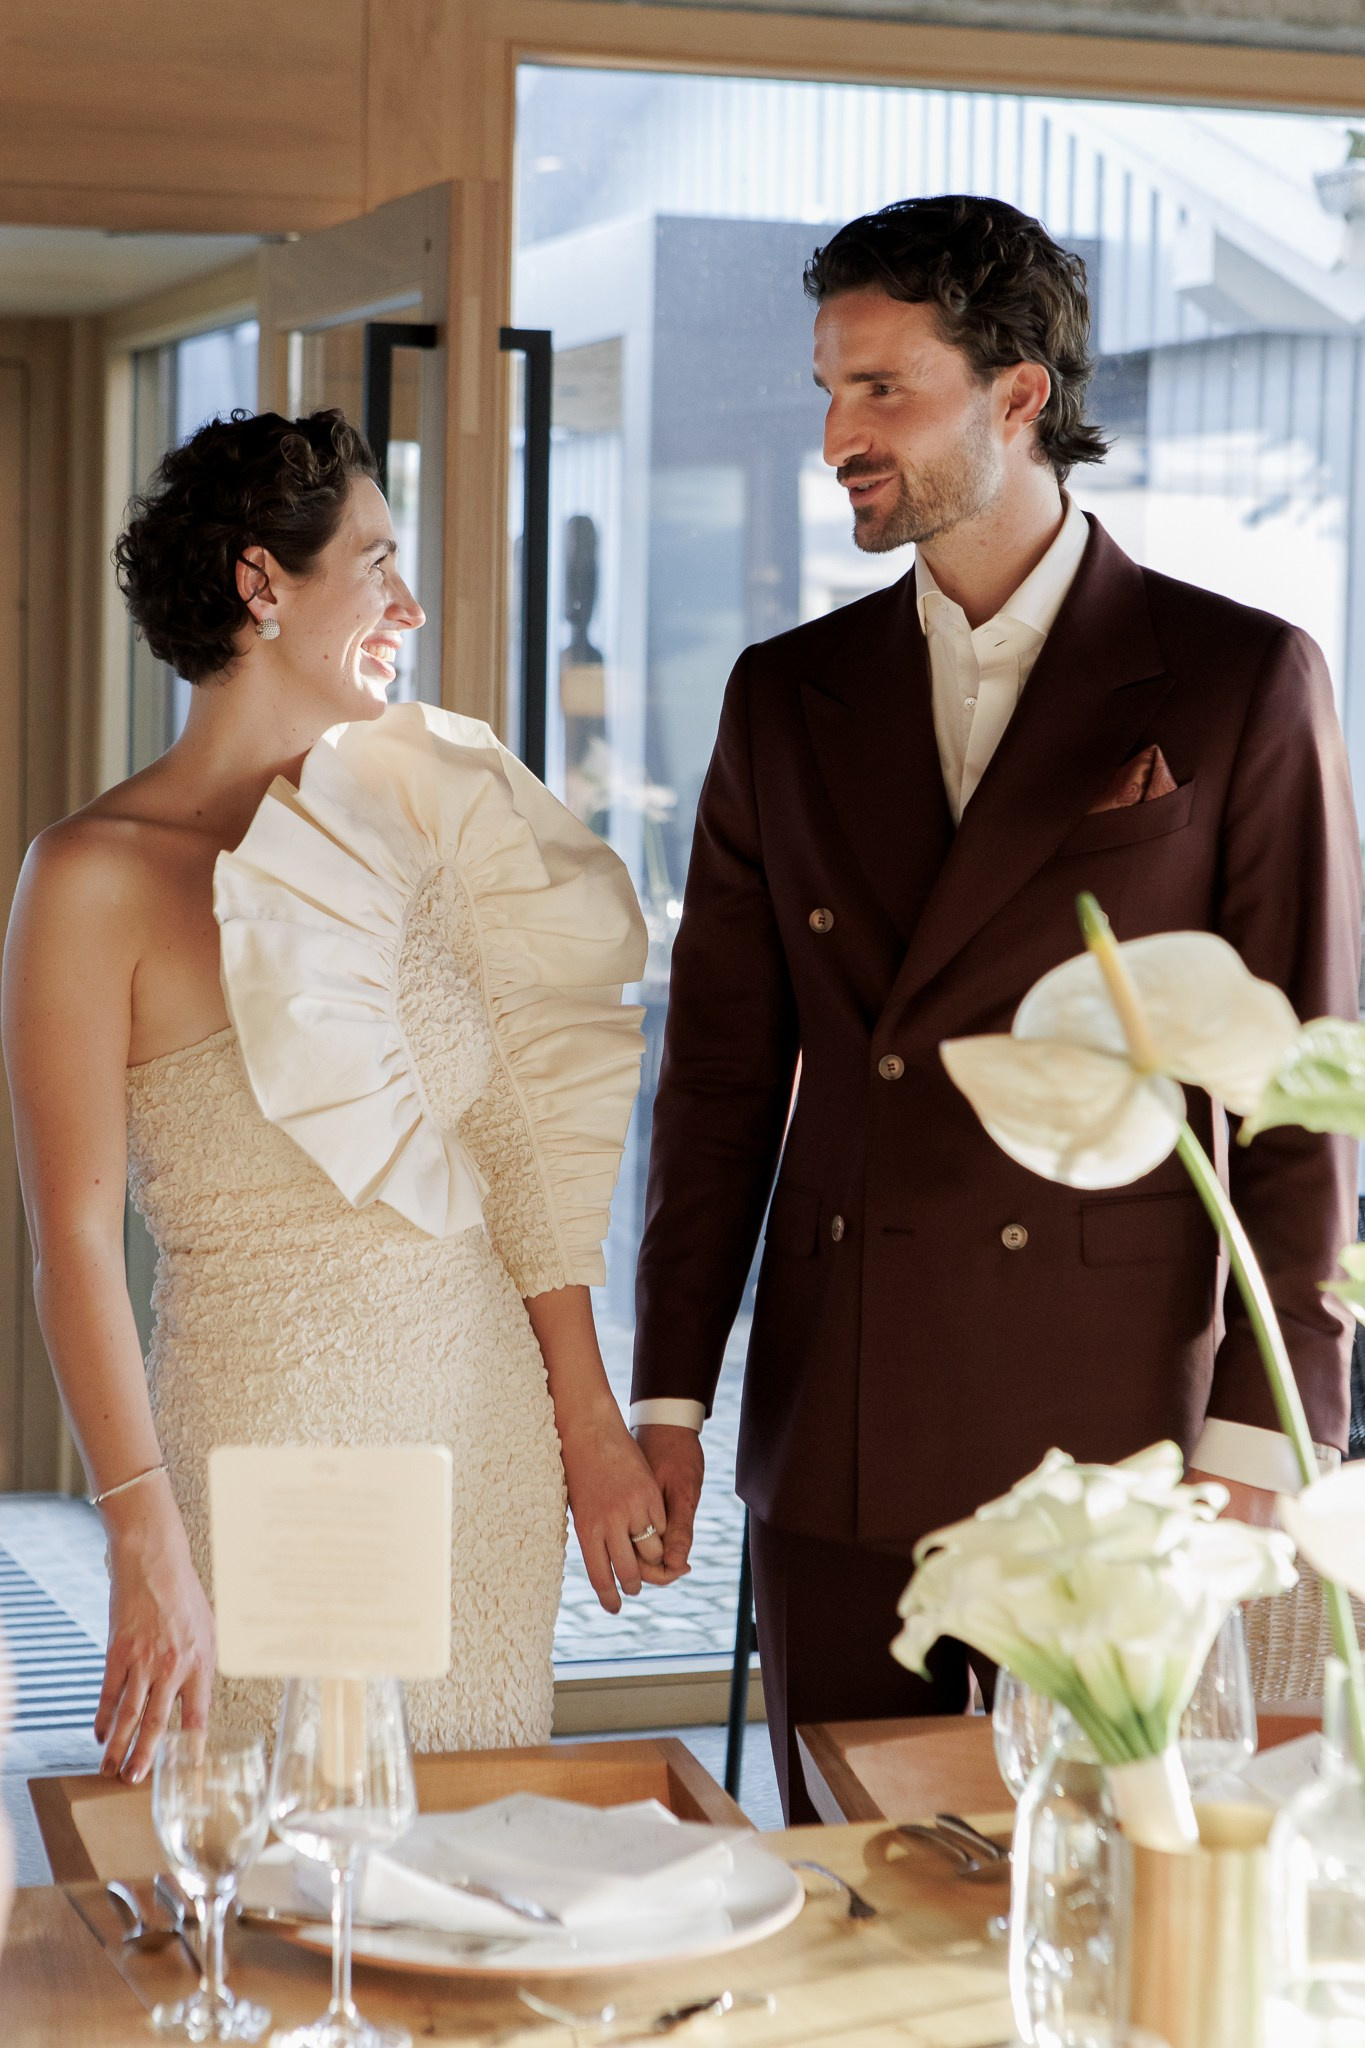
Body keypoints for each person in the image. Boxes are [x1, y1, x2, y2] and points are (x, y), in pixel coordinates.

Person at [630, 195, 1362, 1820]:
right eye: (830, 390)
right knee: (850, 1868)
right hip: (844, 1395)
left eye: (882, 389)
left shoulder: (1236, 677)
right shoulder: (785, 693)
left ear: (1017, 394)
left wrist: (1262, 1434)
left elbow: (1301, 1085)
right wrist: (669, 1395)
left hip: (1116, 1427)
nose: (838, 435)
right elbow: (722, 1077)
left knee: (1107, 1863)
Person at [3, 408, 669, 1783]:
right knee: (271, 1859)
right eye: (377, 563)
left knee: (473, 1849)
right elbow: (71, 1243)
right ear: (263, 582)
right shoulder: (88, 875)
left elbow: (517, 1149)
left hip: (480, 1442)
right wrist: (140, 1537)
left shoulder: (427, 816)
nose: (409, 606)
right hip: (263, 1445)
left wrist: (593, 1428)